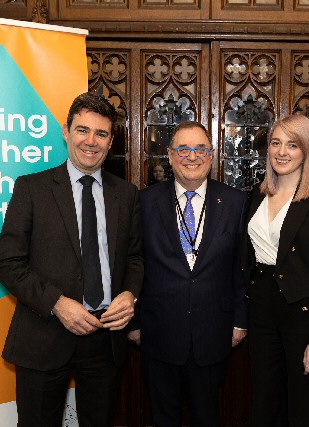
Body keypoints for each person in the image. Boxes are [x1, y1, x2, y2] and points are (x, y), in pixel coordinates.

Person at [0, 93, 143, 427]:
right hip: (44, 333)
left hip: (105, 338)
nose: (91, 141)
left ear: (111, 140)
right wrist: (58, 304)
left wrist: (130, 294)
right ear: (66, 131)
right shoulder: (32, 188)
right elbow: (7, 262)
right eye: (83, 130)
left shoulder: (126, 194)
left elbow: (134, 257)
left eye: (101, 133)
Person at [128, 121, 248, 427]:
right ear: (169, 156)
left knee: (208, 417)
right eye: (183, 149)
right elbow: (133, 262)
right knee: (162, 417)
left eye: (200, 149)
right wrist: (135, 322)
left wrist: (240, 321)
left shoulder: (235, 202)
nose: (191, 156)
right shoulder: (144, 202)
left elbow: (241, 268)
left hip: (214, 334)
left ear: (211, 155)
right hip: (158, 333)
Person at [243, 114, 309, 426]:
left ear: (306, 151)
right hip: (261, 311)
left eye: (292, 145)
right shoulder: (256, 195)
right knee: (265, 400)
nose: (282, 152)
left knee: (303, 405)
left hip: (301, 315)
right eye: (276, 143)